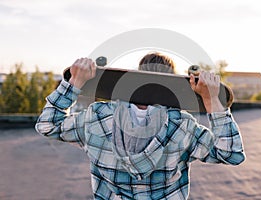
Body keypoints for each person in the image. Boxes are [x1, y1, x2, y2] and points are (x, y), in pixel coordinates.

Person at [35, 52, 245, 200]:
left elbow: (47, 125)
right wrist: (211, 101)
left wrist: (73, 85)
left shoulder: (97, 117)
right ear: (172, 86)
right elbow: (231, 154)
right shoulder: (183, 126)